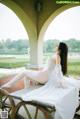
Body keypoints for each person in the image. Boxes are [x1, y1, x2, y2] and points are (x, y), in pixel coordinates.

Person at [1, 42, 68, 88]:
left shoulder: (57, 56)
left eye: (57, 45)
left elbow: (58, 69)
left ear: (60, 48)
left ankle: (8, 85)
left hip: (44, 76)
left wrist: (60, 81)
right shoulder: (57, 56)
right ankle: (26, 90)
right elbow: (50, 67)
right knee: (26, 76)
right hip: (44, 74)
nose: (55, 46)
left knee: (24, 72)